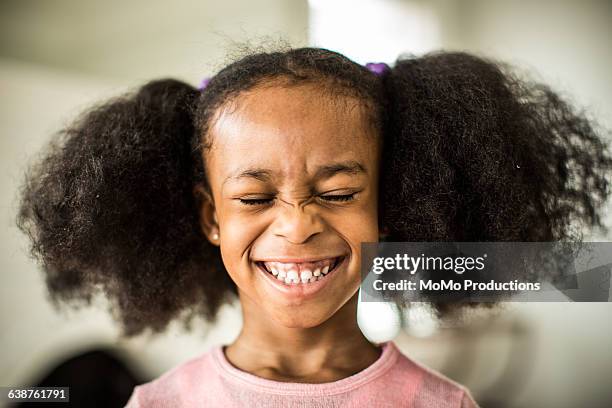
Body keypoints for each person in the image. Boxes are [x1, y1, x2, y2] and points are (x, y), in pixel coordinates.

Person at [16, 47, 612, 407]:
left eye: (338, 193)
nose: (297, 226)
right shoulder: (158, 402)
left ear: (394, 202)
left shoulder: (443, 402)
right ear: (209, 217)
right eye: (253, 197)